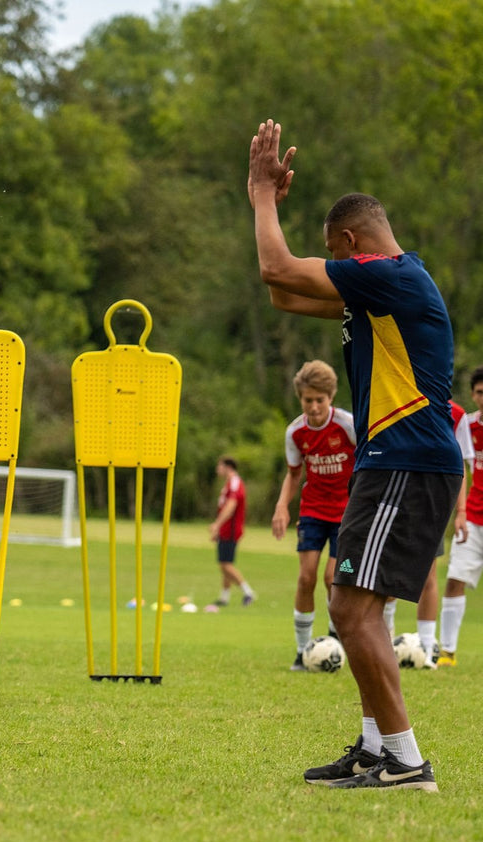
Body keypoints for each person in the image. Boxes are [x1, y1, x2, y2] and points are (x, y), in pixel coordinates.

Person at [250, 118, 463, 791]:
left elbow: (276, 266)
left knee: (349, 605)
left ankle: (404, 759)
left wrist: (259, 197)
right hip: (396, 459)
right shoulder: (381, 293)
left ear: (348, 245)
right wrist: (271, 215)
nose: (333, 264)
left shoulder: (390, 276)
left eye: (333, 254)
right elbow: (284, 291)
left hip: (407, 455)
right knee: (353, 605)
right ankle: (378, 751)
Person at [271, 361, 355, 669]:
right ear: (300, 399)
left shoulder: (347, 425)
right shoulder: (295, 432)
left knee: (333, 578)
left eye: (320, 400)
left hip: (347, 512)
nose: (315, 406)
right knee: (306, 578)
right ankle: (302, 650)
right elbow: (294, 474)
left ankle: (335, 637)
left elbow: (367, 464)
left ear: (330, 397)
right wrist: (282, 506)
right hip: (313, 510)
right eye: (309, 400)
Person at [383, 399, 473, 660]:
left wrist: (461, 511)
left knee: (428, 574)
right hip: (398, 499)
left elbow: (461, 468)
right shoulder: (398, 402)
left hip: (434, 504)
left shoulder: (456, 415)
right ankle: (386, 635)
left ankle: (427, 645)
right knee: (390, 571)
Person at [437, 368, 483, 665]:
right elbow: (458, 471)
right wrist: (460, 513)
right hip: (474, 518)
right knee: (455, 579)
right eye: (480, 392)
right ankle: (447, 652)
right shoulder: (466, 425)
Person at [205, 456, 256, 610]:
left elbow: (231, 505)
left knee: (226, 564)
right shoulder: (229, 483)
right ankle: (224, 597)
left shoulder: (234, 482)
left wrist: (217, 524)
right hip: (226, 529)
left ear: (227, 466)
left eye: (219, 466)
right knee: (224, 564)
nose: (217, 469)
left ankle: (248, 592)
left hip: (231, 529)